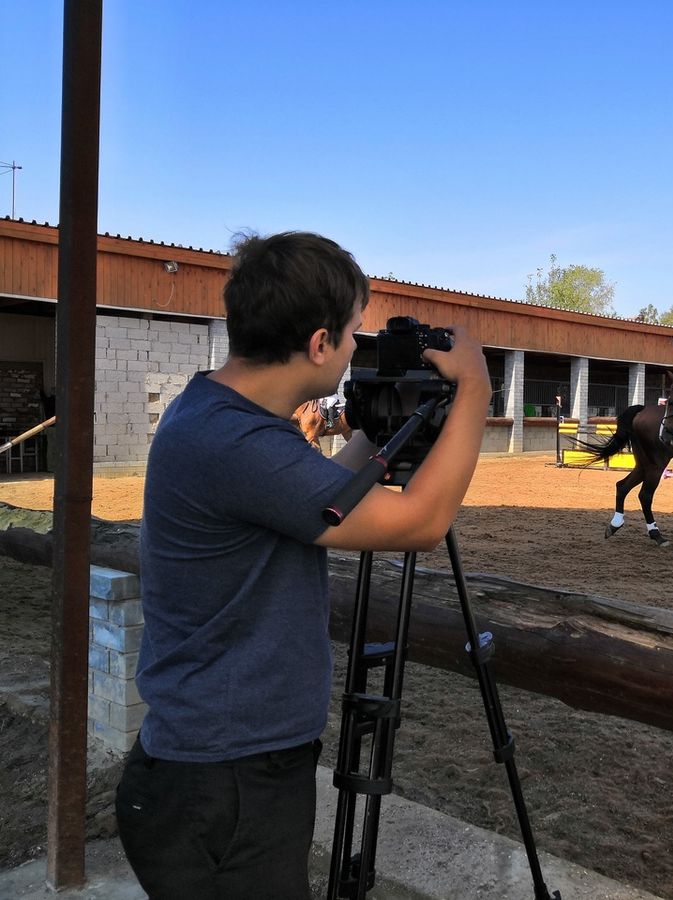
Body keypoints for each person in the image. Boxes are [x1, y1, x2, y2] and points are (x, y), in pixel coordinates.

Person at [115, 231, 491, 898]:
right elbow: (421, 522)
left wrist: (383, 424)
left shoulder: (215, 412)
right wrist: (475, 390)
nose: (352, 351)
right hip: (225, 783)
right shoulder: (235, 442)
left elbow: (318, 496)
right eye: (350, 335)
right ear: (319, 343)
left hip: (216, 768)